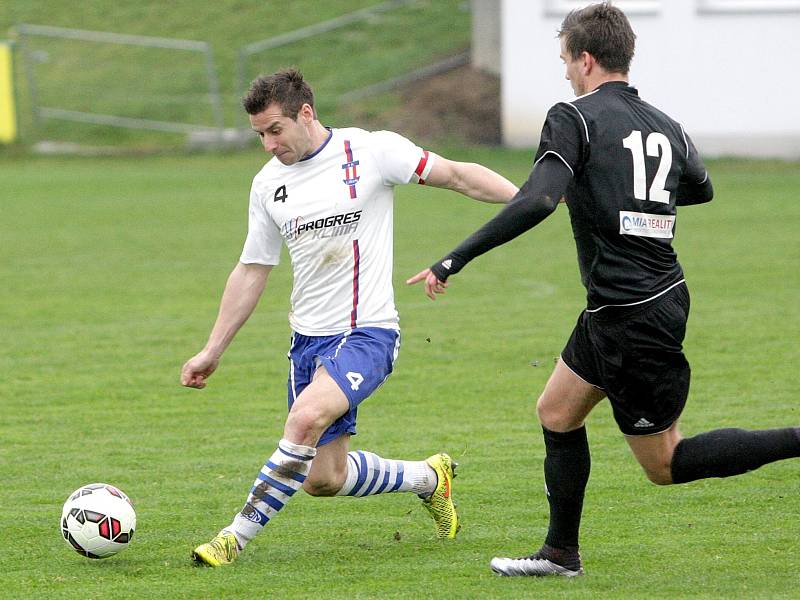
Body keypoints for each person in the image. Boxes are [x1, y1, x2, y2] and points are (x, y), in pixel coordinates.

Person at [408, 2, 800, 578]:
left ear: (586, 59)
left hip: (634, 313)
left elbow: (539, 198)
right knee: (557, 412)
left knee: (666, 463)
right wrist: (629, 199)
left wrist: (454, 257)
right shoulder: (667, 123)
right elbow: (701, 187)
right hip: (626, 303)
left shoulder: (574, 115)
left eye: (566, 59)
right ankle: (560, 554)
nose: (564, 71)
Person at [182, 68, 518, 567]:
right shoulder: (267, 186)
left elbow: (457, 174)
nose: (268, 144)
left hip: (368, 332)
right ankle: (429, 478)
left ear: (306, 114)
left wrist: (530, 200)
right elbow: (252, 269)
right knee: (323, 479)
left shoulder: (370, 151)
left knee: (304, 418)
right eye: (260, 135)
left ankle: (233, 538)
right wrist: (213, 349)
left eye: (275, 130)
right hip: (307, 342)